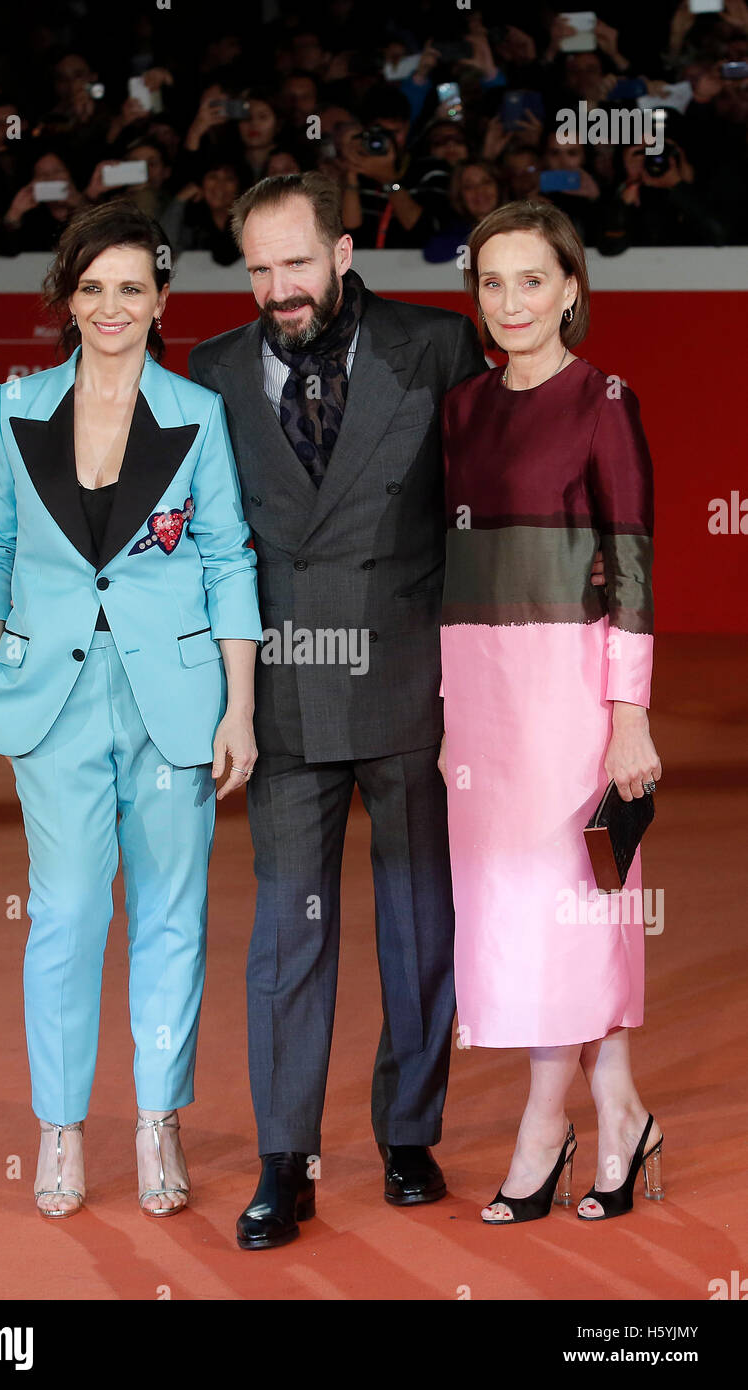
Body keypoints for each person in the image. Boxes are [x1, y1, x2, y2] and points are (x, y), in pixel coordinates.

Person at [189, 170, 516, 1251]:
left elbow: (477, 516)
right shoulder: (214, 370)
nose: (278, 287)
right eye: (257, 267)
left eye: (295, 261)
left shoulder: (433, 347)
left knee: (418, 917)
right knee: (288, 935)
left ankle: (407, 1131)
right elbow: (208, 550)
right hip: (280, 689)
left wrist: (486, 673)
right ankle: (286, 1159)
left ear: (340, 252)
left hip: (409, 674)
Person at [0, 199, 262, 1219]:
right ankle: (58, 1126)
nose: (111, 305)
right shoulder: (15, 409)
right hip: (50, 706)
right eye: (92, 287)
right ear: (68, 297)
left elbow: (226, 560)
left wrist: (239, 709)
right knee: (69, 914)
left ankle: (157, 1122)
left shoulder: (195, 414)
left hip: (174, 705)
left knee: (171, 917)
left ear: (162, 297)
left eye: (131, 287)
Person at [439, 199, 664, 1224]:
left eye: (531, 279)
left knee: (575, 905)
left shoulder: (601, 399)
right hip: (480, 694)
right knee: (512, 913)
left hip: (572, 693)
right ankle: (613, 1112)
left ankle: (547, 1121)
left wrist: (626, 713)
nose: (509, 301)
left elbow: (631, 565)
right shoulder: (463, 408)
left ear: (570, 287)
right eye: (490, 281)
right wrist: (449, 707)